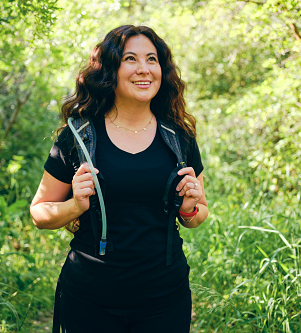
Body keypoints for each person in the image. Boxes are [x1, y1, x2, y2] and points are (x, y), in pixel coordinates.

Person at [30, 25, 208, 333]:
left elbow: (198, 215)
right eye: (130, 59)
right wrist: (75, 205)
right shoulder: (79, 137)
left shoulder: (179, 137)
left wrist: (190, 207)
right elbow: (39, 212)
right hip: (90, 299)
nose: (144, 69)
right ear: (111, 69)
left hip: (164, 299)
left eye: (152, 59)